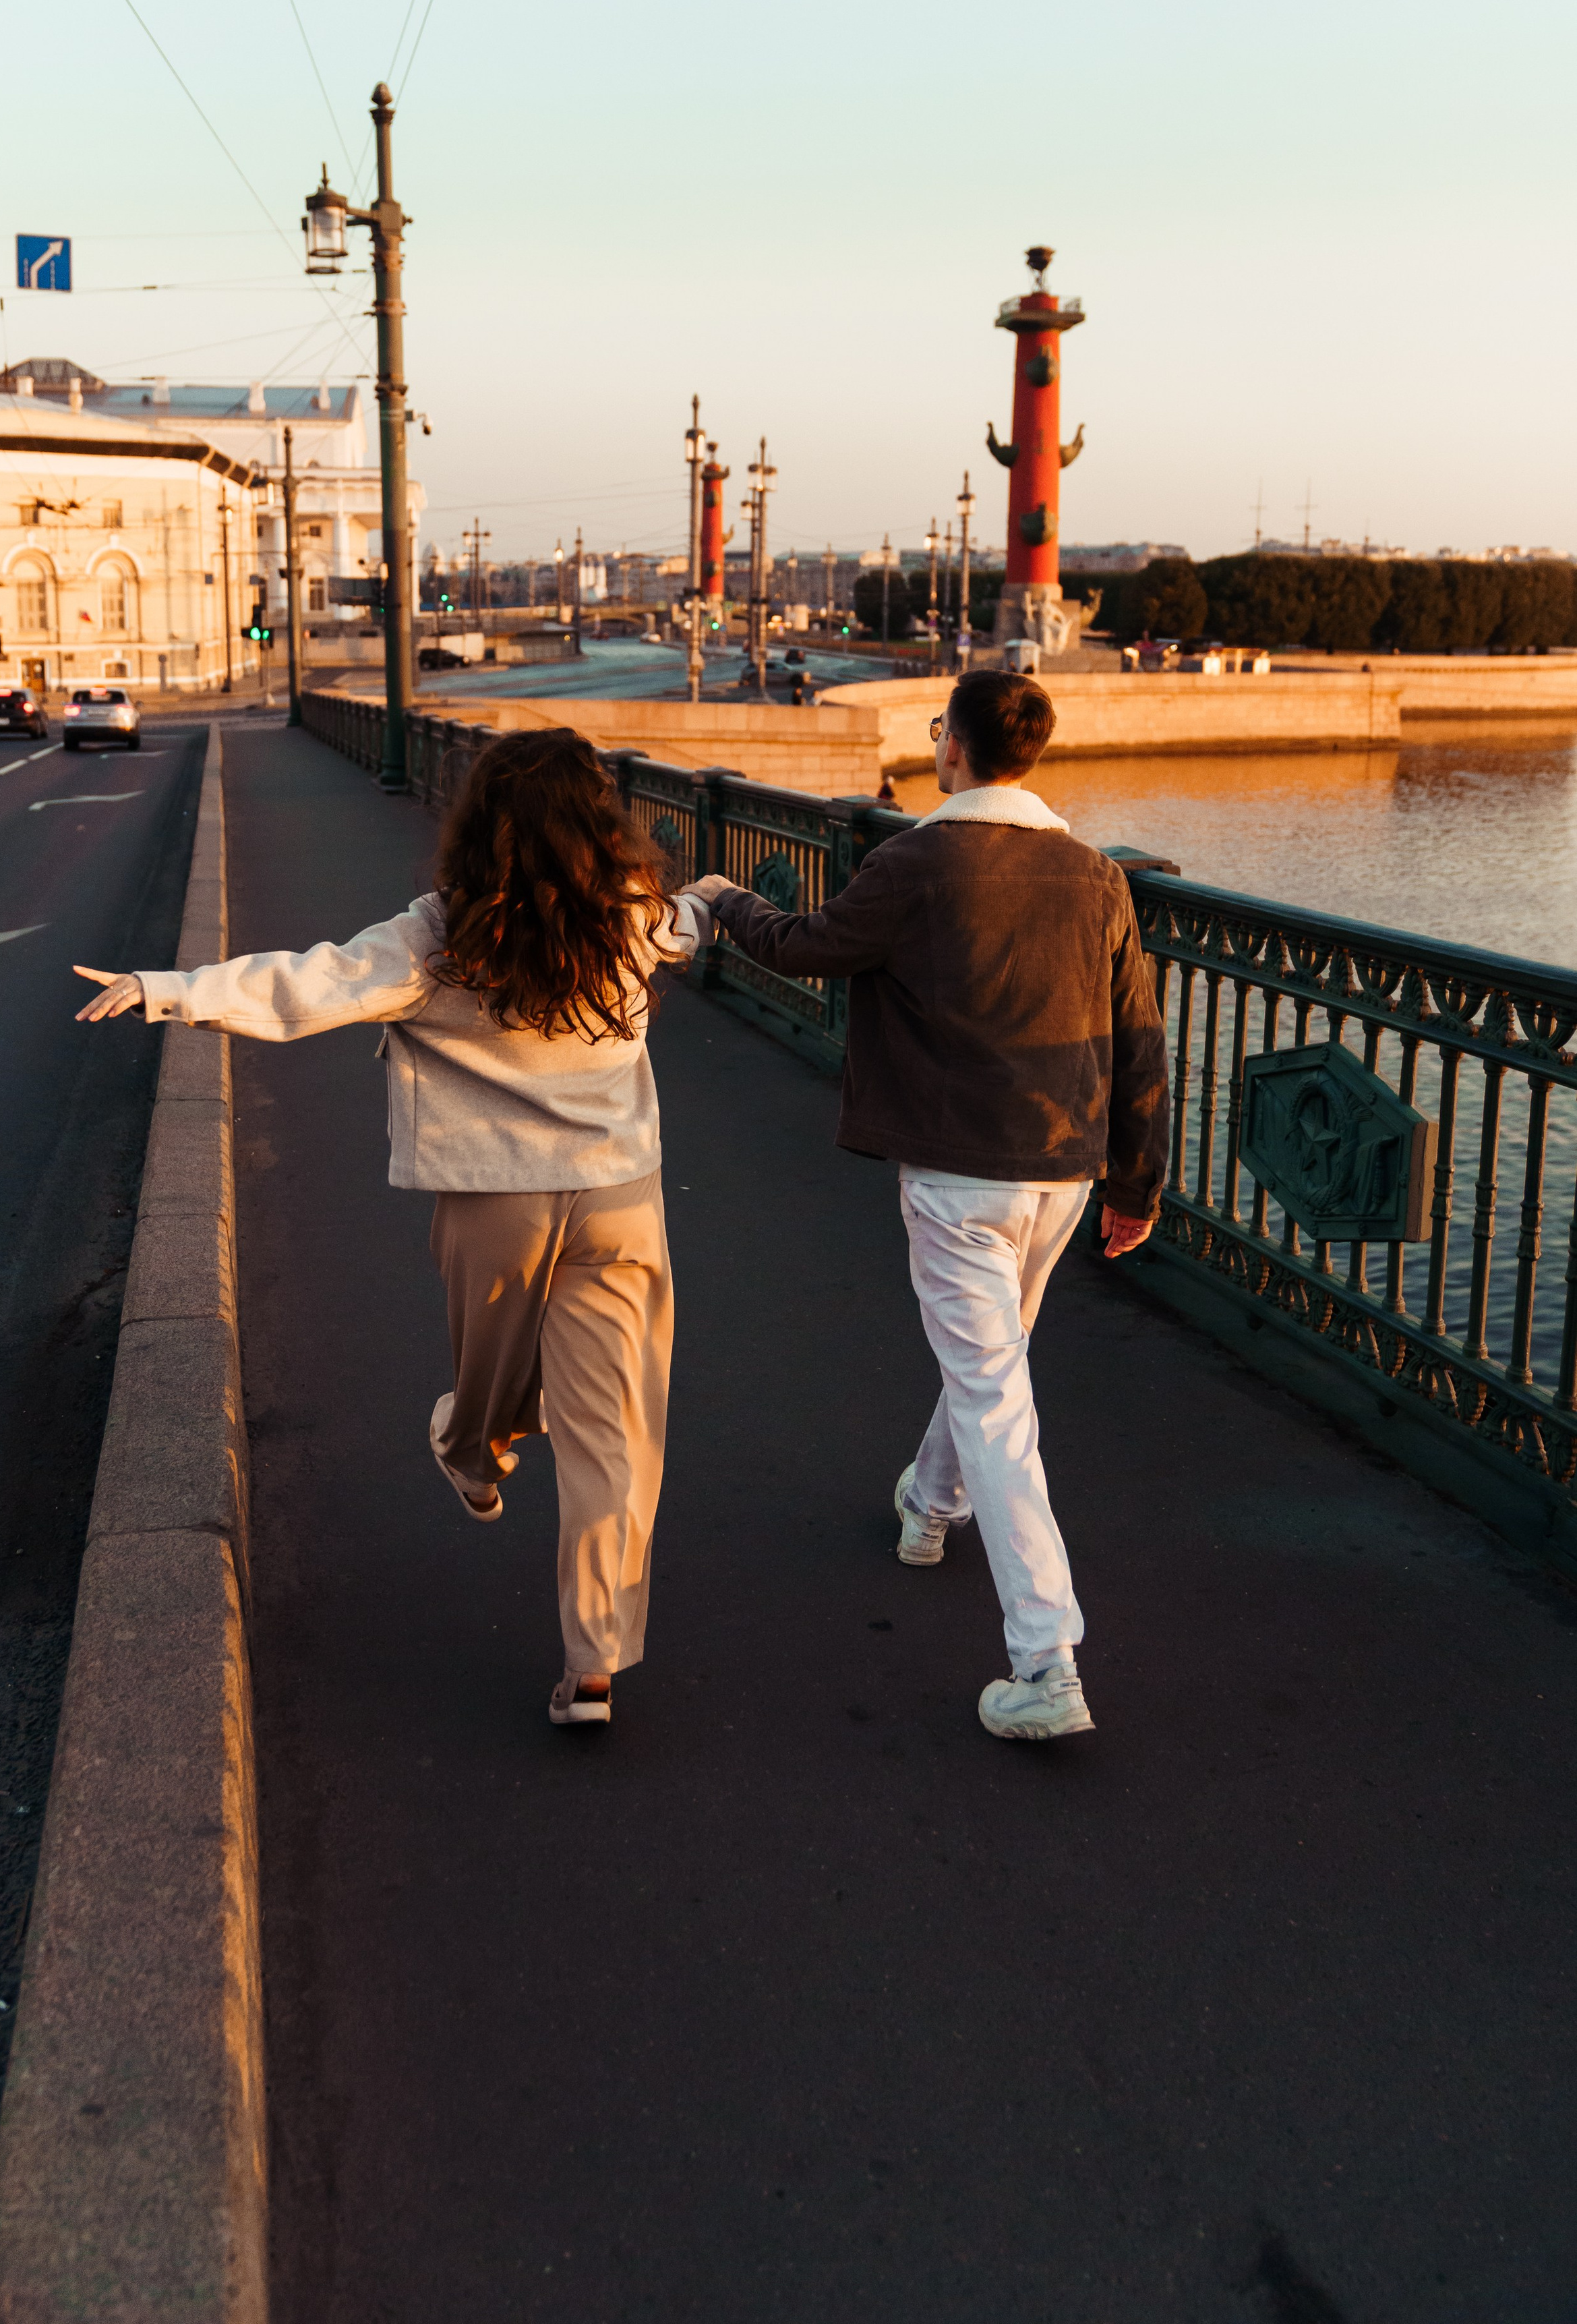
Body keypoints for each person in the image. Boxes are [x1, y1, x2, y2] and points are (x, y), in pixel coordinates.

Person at [76, 728, 713, 1731]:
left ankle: (471, 1454)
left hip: (492, 1200)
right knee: (618, 1436)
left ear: (485, 829)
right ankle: (595, 1658)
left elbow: (310, 985)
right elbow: (690, 922)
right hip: (618, 1200)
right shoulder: (633, 917)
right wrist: (718, 901)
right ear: (602, 821)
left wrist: (171, 991)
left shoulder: (441, 937)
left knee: (491, 1388)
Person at [692, 669, 1167, 1744]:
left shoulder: (915, 861)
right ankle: (930, 1505)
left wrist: (728, 903)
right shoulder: (1097, 877)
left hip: (957, 1177)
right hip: (1063, 1168)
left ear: (951, 745)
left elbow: (807, 948)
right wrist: (1136, 1183)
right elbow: (1140, 1036)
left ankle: (1046, 1659)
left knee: (997, 1393)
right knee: (988, 1366)